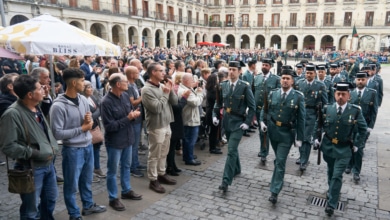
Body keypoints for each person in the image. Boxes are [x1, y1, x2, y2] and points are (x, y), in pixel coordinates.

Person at [50, 68, 106, 220]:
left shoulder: (82, 99)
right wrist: (82, 128)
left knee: (86, 180)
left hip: (87, 145)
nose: (84, 83)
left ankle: (88, 205)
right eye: (82, 81)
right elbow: (57, 133)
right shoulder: (58, 106)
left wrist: (88, 121)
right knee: (71, 185)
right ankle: (74, 214)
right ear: (74, 83)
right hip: (73, 150)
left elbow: (87, 121)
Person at [0, 74, 59, 219]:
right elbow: (8, 146)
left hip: (49, 165)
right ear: (30, 94)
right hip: (31, 168)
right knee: (30, 210)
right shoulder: (12, 114)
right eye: (40, 88)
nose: (44, 90)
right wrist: (35, 153)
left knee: (50, 200)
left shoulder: (35, 106)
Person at [314, 82, 367, 217]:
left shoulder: (355, 111)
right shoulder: (327, 108)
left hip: (344, 149)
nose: (340, 97)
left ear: (349, 96)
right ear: (334, 94)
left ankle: (331, 204)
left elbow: (363, 129)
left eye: (343, 94)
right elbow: (318, 124)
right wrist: (316, 138)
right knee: (331, 172)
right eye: (338, 94)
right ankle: (332, 191)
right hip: (329, 147)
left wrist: (357, 144)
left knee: (337, 175)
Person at [259, 69, 305, 204]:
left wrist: (299, 137)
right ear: (280, 80)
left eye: (288, 78)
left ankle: (274, 190)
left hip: (286, 134)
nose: (285, 80)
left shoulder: (298, 97)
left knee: (280, 161)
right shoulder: (273, 94)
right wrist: (262, 121)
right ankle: (278, 177)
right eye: (283, 78)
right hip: (273, 131)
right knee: (278, 160)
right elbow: (265, 109)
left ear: (292, 81)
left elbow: (301, 118)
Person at [100, 73, 143, 211]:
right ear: (118, 84)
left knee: (126, 166)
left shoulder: (124, 96)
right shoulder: (106, 102)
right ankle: (113, 198)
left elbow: (129, 113)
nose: (128, 84)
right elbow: (109, 126)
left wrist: (134, 114)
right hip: (115, 142)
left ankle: (126, 190)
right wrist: (129, 118)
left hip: (128, 138)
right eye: (125, 82)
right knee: (112, 171)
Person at [213, 61, 256, 192]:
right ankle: (237, 169)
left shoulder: (244, 86)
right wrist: (215, 115)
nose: (231, 72)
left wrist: (247, 123)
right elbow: (218, 102)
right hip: (227, 121)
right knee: (233, 148)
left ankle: (226, 180)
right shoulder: (223, 85)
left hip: (238, 122)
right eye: (230, 69)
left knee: (231, 151)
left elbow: (252, 106)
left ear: (239, 71)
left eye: (234, 70)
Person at [142, 62, 179, 193]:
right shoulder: (146, 90)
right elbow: (156, 108)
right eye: (161, 71)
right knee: (154, 154)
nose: (164, 73)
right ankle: (153, 179)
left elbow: (174, 102)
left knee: (164, 151)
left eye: (164, 71)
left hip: (167, 123)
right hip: (156, 126)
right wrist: (165, 94)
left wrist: (171, 89)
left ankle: (161, 173)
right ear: (153, 72)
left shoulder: (162, 85)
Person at [345, 72, 378, 182]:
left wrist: (370, 126)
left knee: (359, 149)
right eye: (358, 79)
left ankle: (356, 171)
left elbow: (374, 111)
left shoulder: (372, 93)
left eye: (362, 79)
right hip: (351, 126)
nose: (360, 81)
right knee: (350, 146)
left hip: (363, 127)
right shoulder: (351, 93)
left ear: (366, 80)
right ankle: (349, 165)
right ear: (355, 80)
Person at [295, 65, 327, 171]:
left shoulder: (320, 85)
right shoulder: (300, 83)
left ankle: (304, 160)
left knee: (307, 138)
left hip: (312, 114)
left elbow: (325, 103)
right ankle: (301, 156)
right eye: (307, 73)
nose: (308, 75)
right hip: (300, 113)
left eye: (311, 73)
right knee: (300, 136)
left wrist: (322, 117)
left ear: (315, 74)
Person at [254, 58, 281, 164]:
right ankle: (263, 151)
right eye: (263, 64)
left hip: (270, 110)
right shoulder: (257, 78)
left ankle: (275, 153)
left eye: (266, 65)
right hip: (259, 109)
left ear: (270, 67)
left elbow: (278, 95)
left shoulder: (276, 79)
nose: (264, 66)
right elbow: (253, 92)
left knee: (271, 132)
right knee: (262, 132)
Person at [80, 81, 106, 181]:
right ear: (84, 89)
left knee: (97, 147)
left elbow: (99, 107)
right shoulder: (82, 100)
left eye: (91, 87)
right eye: (89, 87)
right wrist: (97, 113)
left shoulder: (92, 98)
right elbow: (90, 115)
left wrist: (96, 113)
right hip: (89, 128)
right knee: (89, 151)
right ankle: (89, 172)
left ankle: (97, 168)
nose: (91, 89)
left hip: (96, 127)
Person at [125, 66, 147, 178]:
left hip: (138, 117)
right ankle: (132, 167)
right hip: (134, 118)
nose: (139, 73)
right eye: (136, 72)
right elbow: (132, 102)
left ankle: (136, 163)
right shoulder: (128, 86)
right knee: (133, 144)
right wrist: (142, 96)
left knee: (135, 143)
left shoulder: (133, 84)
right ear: (131, 74)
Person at [178, 73, 204, 165]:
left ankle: (188, 155)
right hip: (190, 119)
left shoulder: (186, 88)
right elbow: (196, 102)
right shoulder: (184, 90)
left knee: (188, 139)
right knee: (190, 140)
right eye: (192, 80)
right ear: (186, 81)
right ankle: (188, 158)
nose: (193, 82)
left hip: (190, 118)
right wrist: (200, 93)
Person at [206, 74, 222, 154]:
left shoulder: (210, 89)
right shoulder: (213, 91)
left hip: (211, 111)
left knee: (214, 131)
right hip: (212, 112)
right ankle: (212, 148)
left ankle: (214, 146)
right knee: (213, 131)